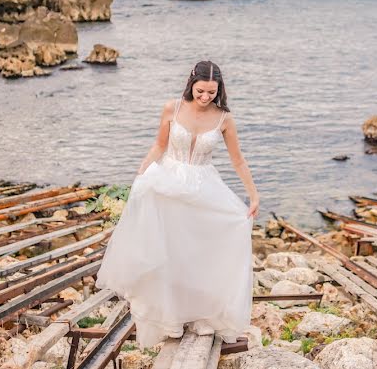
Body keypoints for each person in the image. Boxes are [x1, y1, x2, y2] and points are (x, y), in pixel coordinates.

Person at [96, 61, 259, 347]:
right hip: (167, 183)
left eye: (211, 92)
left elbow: (238, 159)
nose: (206, 97)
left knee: (199, 253)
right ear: (191, 83)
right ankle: (169, 318)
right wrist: (141, 174)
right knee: (167, 253)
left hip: (202, 187)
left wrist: (253, 194)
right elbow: (159, 146)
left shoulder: (224, 119)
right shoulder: (172, 108)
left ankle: (203, 316)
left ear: (219, 90)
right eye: (201, 91)